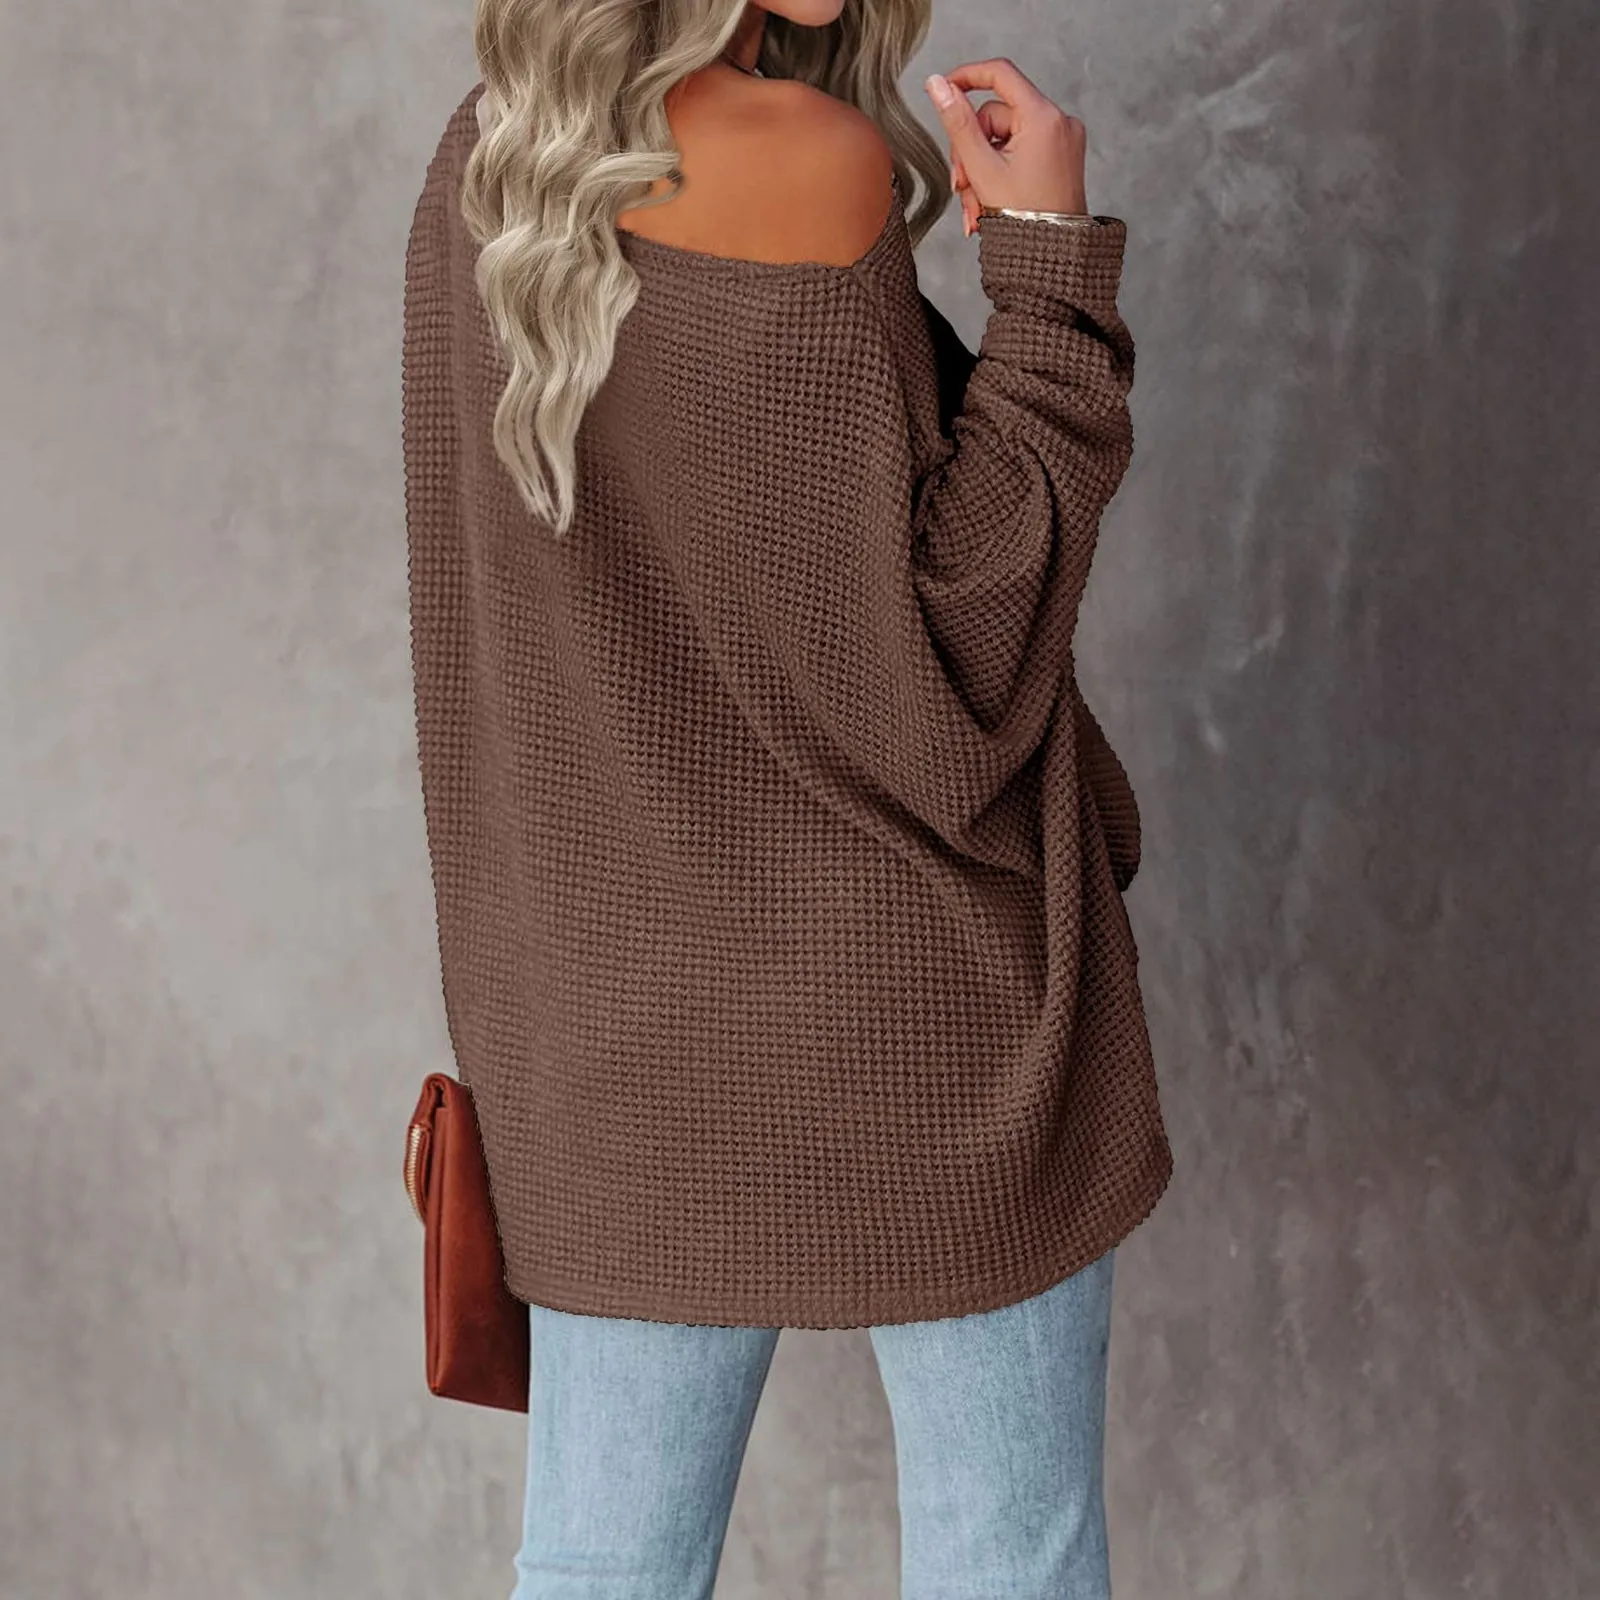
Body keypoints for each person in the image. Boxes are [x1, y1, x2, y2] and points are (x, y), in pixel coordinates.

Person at [400, 3, 1174, 1595]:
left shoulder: (495, 158)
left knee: (599, 1568)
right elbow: (951, 674)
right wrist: (1047, 266)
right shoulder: (813, 165)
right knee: (1009, 1564)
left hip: (611, 1045)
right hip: (921, 1019)